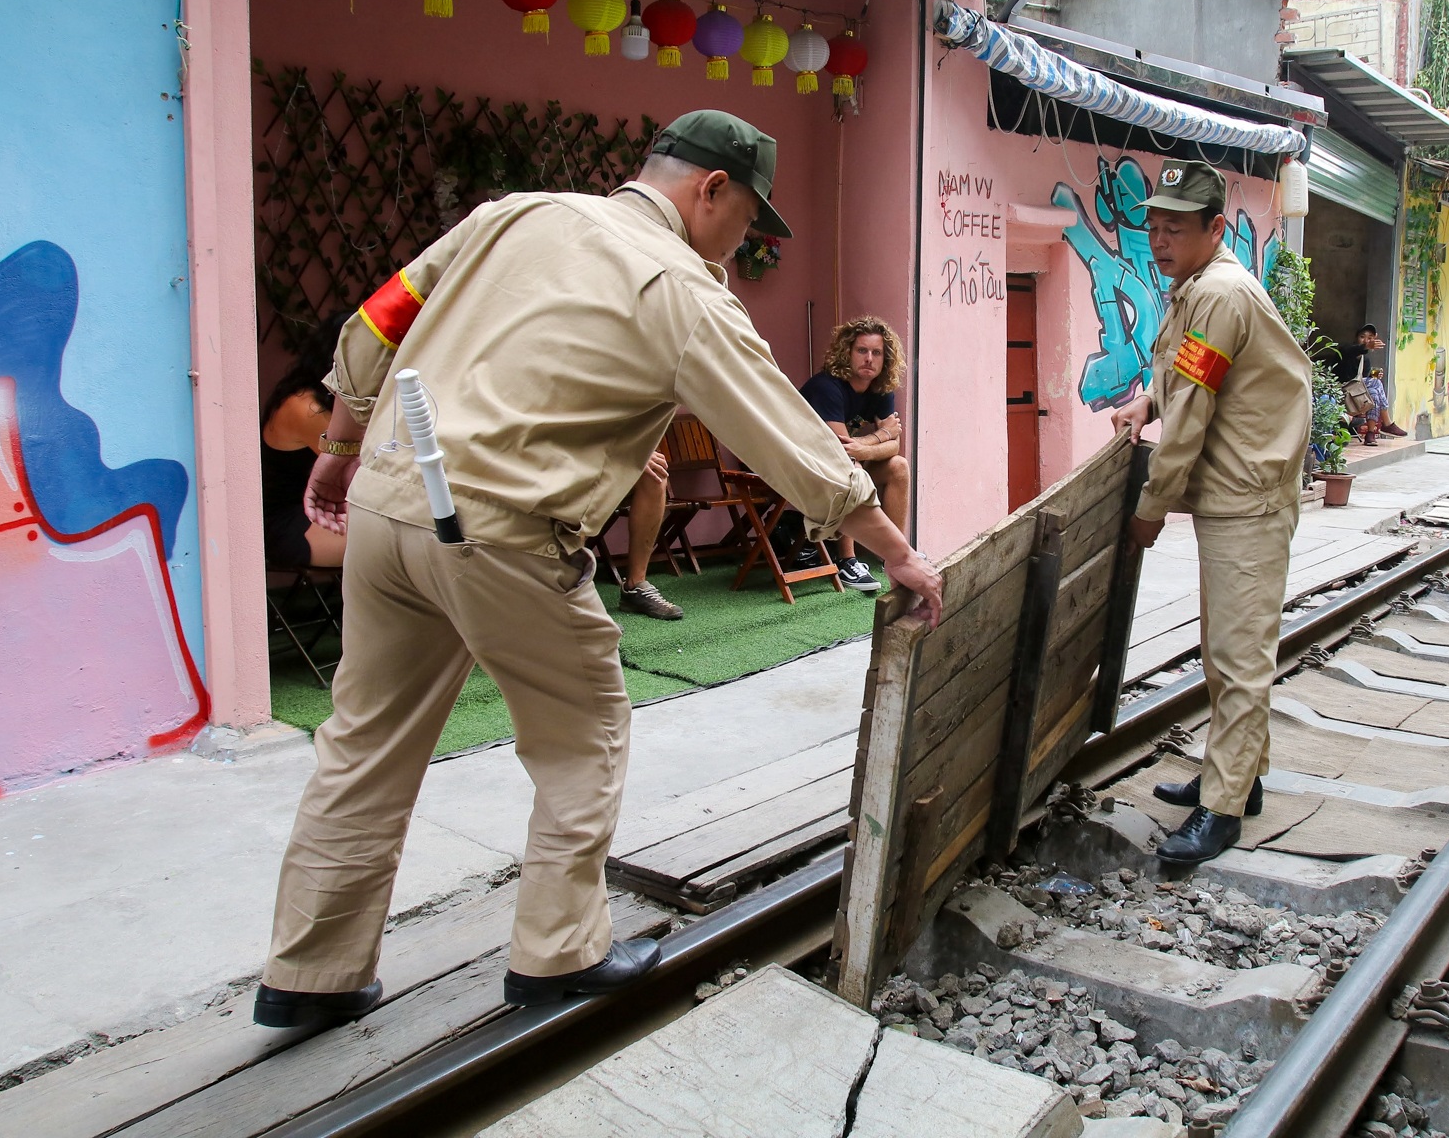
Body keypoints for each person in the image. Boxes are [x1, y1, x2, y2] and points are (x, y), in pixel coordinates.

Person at [253, 110, 943, 1031]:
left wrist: (338, 445)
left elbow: (380, 320)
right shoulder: (679, 285)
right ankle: (559, 952)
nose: (743, 243)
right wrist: (893, 547)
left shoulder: (514, 213)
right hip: (501, 529)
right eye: (749, 220)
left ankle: (309, 975)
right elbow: (782, 432)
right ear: (712, 190)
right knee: (583, 733)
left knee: (364, 743)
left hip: (386, 504)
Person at [1109, 160, 1312, 865]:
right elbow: (1188, 379)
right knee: (1225, 649)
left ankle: (1223, 811)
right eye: (1154, 227)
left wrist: (1150, 508)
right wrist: (1146, 400)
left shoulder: (1219, 294)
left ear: (1214, 229)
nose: (1159, 240)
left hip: (1247, 499)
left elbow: (1191, 414)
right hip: (1234, 493)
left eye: (1175, 228)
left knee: (1239, 653)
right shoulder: (1198, 287)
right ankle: (1240, 776)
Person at [794, 316, 910, 591]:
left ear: (885, 358)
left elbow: (894, 447)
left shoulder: (881, 389)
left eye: (877, 352)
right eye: (862, 351)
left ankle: (895, 554)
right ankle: (847, 560)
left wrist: (866, 444)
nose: (869, 359)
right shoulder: (827, 386)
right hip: (798, 466)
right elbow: (842, 449)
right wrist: (877, 437)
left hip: (838, 463)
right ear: (847, 353)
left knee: (898, 466)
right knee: (852, 466)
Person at [261, 313, 352, 570]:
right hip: (292, 524)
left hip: (327, 511)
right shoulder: (305, 406)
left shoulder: (331, 399)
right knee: (397, 536)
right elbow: (363, 464)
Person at [613, 453, 684, 620]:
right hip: (567, 458)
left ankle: (635, 586)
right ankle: (575, 596)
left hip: (610, 455)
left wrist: (638, 451)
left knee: (654, 475)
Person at [1331, 323, 1406, 445]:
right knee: (1376, 384)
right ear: (1356, 338)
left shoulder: (1365, 360)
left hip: (1355, 396)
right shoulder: (1345, 350)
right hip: (1340, 392)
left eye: (1370, 338)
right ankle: (1387, 423)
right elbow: (1349, 353)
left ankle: (1370, 434)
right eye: (1362, 337)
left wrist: (1371, 377)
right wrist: (1365, 347)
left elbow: (1363, 385)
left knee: (1374, 392)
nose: (1366, 340)